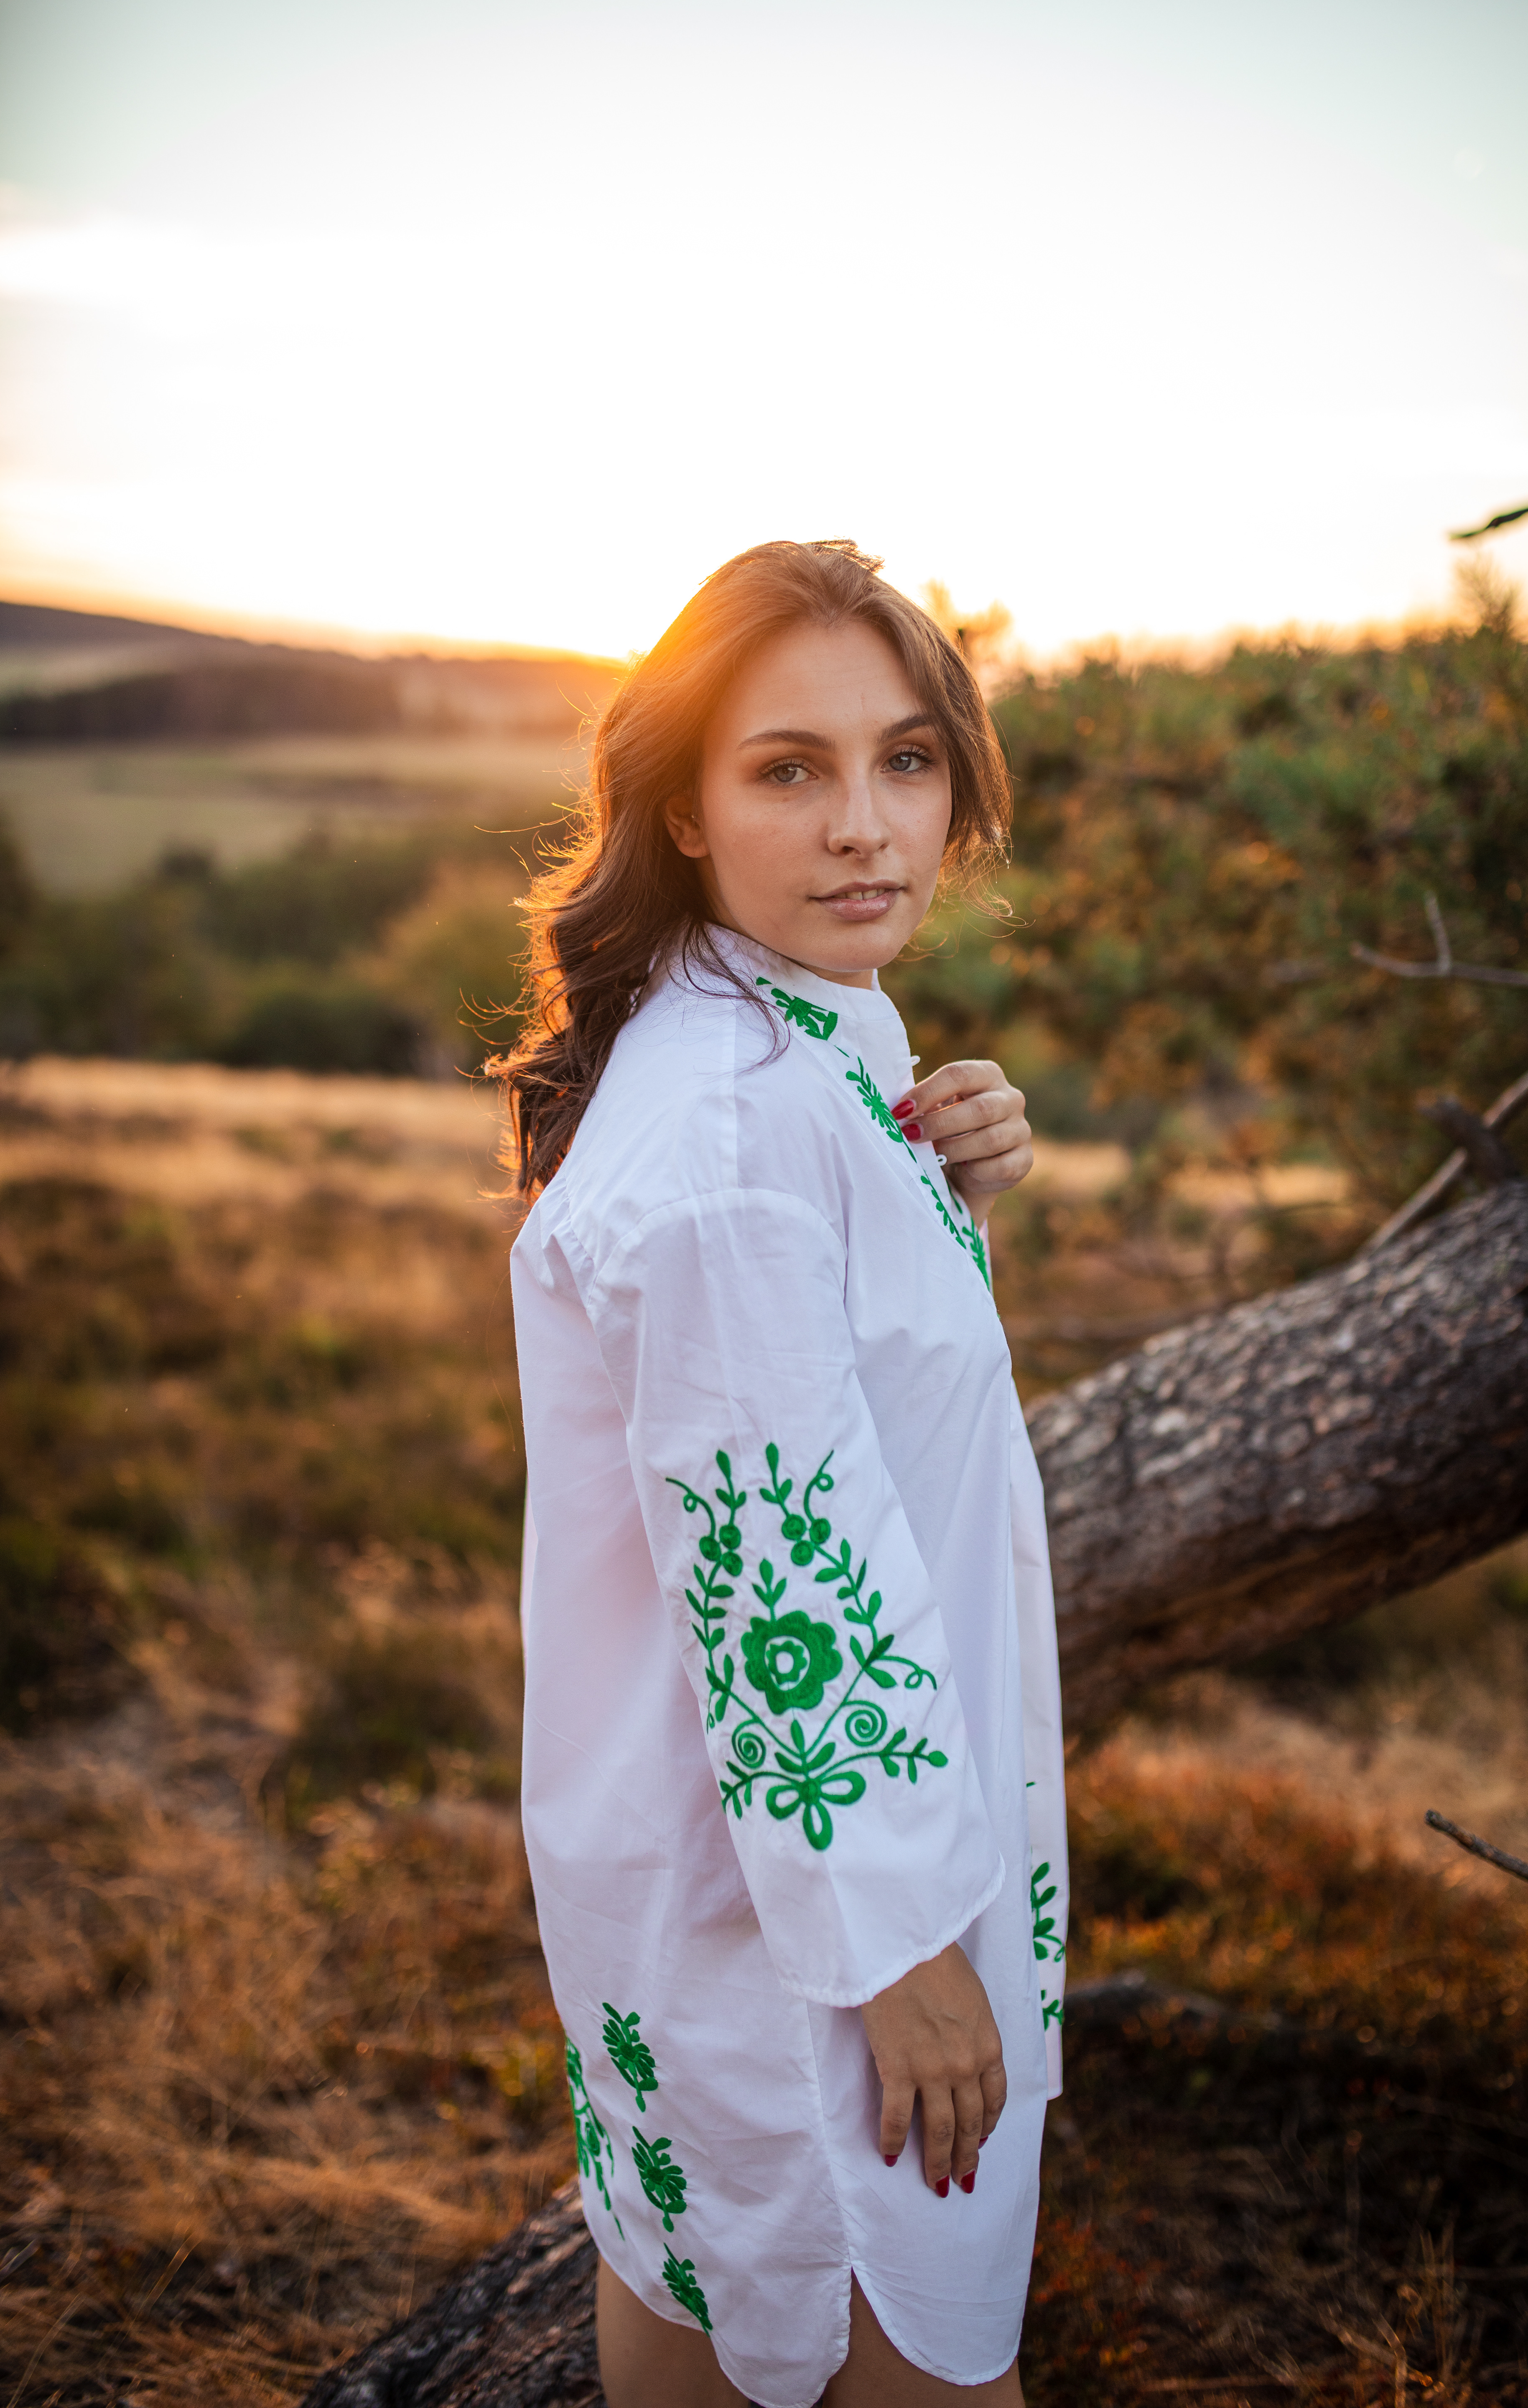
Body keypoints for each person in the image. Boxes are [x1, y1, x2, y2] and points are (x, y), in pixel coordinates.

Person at [493, 539, 1068, 2408]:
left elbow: (844, 1395)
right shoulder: (737, 1129)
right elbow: (781, 1574)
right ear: (683, 802)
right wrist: (906, 1955)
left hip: (714, 1852)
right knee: (858, 2307)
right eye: (790, 770)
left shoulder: (787, 1024)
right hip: (816, 1899)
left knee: (709, 2289)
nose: (867, 828)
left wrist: (942, 1184)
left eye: (905, 761)